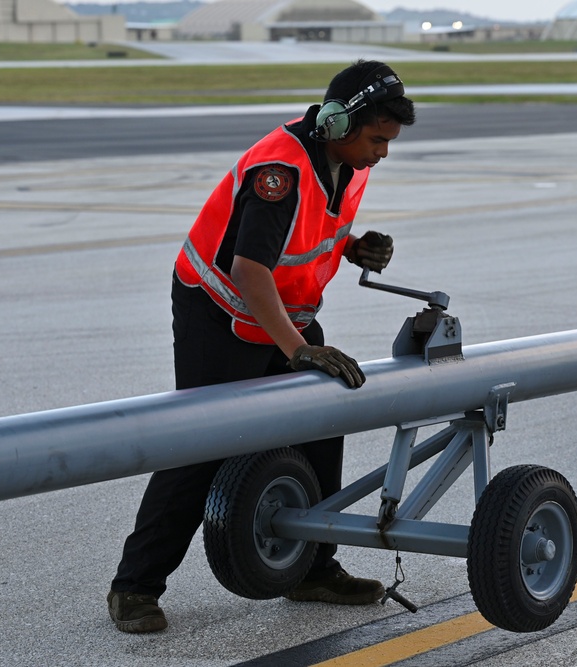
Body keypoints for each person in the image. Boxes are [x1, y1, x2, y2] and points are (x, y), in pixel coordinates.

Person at [107, 60, 416, 634]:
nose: (382, 155)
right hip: (221, 311)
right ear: (337, 123)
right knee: (203, 445)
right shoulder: (280, 170)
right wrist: (299, 351)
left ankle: (311, 570)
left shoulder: (343, 161)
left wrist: (350, 246)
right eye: (376, 140)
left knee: (323, 427)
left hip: (283, 313)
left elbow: (308, 227)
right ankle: (134, 587)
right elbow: (250, 269)